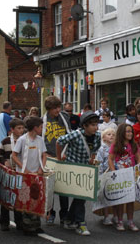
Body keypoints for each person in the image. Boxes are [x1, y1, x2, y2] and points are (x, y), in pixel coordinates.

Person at [56, 111, 101, 236]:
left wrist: (92, 158)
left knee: (81, 197)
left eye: (96, 124)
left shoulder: (97, 136)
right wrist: (59, 159)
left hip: (85, 169)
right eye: (92, 125)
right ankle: (80, 223)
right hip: (72, 168)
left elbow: (94, 150)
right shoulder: (76, 135)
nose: (95, 127)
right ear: (85, 126)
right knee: (79, 196)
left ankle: (70, 219)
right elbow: (59, 141)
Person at [11, 116, 48, 236]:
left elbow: (44, 155)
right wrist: (23, 167)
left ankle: (36, 225)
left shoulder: (40, 140)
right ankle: (26, 225)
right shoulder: (22, 140)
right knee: (26, 198)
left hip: (36, 173)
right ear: (35, 128)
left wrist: (41, 168)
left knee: (36, 198)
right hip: (25, 174)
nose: (42, 129)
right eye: (41, 127)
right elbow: (14, 155)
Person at [42, 96, 71, 225]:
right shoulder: (43, 120)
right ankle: (50, 213)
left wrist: (66, 152)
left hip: (63, 156)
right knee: (50, 187)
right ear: (49, 109)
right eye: (55, 108)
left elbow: (69, 135)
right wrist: (44, 154)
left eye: (59, 107)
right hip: (48, 156)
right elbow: (40, 138)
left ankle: (64, 214)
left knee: (64, 188)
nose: (58, 110)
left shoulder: (64, 117)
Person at [108, 124, 140, 232]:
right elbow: (110, 159)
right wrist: (113, 172)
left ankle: (130, 221)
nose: (130, 134)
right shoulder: (116, 145)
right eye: (127, 131)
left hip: (131, 174)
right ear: (122, 132)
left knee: (130, 200)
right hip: (119, 175)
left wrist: (139, 169)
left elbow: (138, 158)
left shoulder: (133, 145)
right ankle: (120, 220)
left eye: (131, 131)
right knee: (120, 200)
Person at [0, 118, 25, 231]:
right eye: (19, 128)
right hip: (8, 173)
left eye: (23, 128)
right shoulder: (5, 141)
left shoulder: (25, 141)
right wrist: (4, 161)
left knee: (18, 198)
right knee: (6, 196)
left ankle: (19, 221)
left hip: (20, 172)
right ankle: (4, 222)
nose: (21, 130)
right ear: (12, 129)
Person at [96, 126, 116, 226]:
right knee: (105, 197)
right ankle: (106, 216)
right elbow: (99, 162)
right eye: (109, 134)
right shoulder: (101, 149)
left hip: (114, 174)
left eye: (113, 134)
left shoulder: (116, 148)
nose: (111, 136)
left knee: (116, 195)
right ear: (103, 138)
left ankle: (116, 215)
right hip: (104, 174)